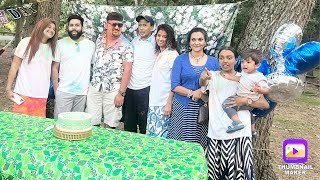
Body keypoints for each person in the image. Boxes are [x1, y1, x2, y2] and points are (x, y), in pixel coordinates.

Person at [200, 46, 269, 179]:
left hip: (240, 134)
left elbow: (264, 104)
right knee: (216, 173)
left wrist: (244, 101)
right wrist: (203, 78)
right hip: (217, 132)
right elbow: (202, 84)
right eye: (221, 58)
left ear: (236, 60)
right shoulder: (212, 76)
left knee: (239, 174)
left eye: (229, 57)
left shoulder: (246, 77)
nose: (225, 61)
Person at [167, 27, 220, 149]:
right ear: (189, 42)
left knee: (198, 143)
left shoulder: (214, 62)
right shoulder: (180, 60)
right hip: (182, 107)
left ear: (205, 42)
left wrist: (202, 93)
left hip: (202, 109)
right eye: (193, 39)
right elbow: (174, 85)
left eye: (200, 39)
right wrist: (192, 93)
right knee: (179, 142)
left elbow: (216, 85)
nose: (197, 42)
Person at [86, 12, 133, 128]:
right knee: (91, 122)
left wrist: (121, 94)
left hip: (114, 90)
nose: (117, 27)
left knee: (111, 124)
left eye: (120, 25)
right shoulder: (99, 39)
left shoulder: (127, 45)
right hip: (95, 87)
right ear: (106, 25)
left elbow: (128, 69)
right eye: (113, 24)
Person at [6, 18, 58, 117]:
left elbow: (53, 71)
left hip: (41, 95)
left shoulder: (53, 48)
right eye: (49, 27)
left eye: (54, 29)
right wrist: (8, 88)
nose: (52, 30)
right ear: (41, 27)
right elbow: (14, 67)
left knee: (35, 127)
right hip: (23, 93)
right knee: (19, 124)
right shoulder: (26, 42)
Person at [51, 14, 95, 119]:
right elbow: (54, 68)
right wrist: (57, 89)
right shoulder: (60, 44)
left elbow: (94, 67)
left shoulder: (91, 45)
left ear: (82, 28)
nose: (74, 28)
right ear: (68, 27)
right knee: (60, 123)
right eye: (71, 25)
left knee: (76, 125)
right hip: (64, 91)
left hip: (82, 93)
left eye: (77, 25)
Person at [221, 49, 270, 134]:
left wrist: (260, 90)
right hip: (247, 103)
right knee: (249, 112)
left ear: (257, 65)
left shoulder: (259, 77)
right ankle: (253, 129)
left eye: (248, 62)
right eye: (243, 62)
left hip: (248, 99)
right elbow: (241, 79)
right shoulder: (245, 73)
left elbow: (268, 90)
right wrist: (230, 77)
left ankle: (237, 122)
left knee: (226, 104)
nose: (244, 64)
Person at [123, 15, 156, 134]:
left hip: (146, 88)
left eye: (145, 25)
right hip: (130, 88)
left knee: (144, 125)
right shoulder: (134, 41)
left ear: (152, 27)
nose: (141, 28)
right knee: (129, 125)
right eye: (140, 25)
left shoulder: (155, 43)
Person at [146, 24, 179, 138]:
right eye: (158, 35)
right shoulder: (160, 53)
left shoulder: (172, 54)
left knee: (161, 138)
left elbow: (175, 81)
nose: (160, 39)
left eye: (164, 36)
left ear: (169, 38)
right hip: (153, 102)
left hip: (163, 103)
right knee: (151, 136)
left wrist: (169, 103)